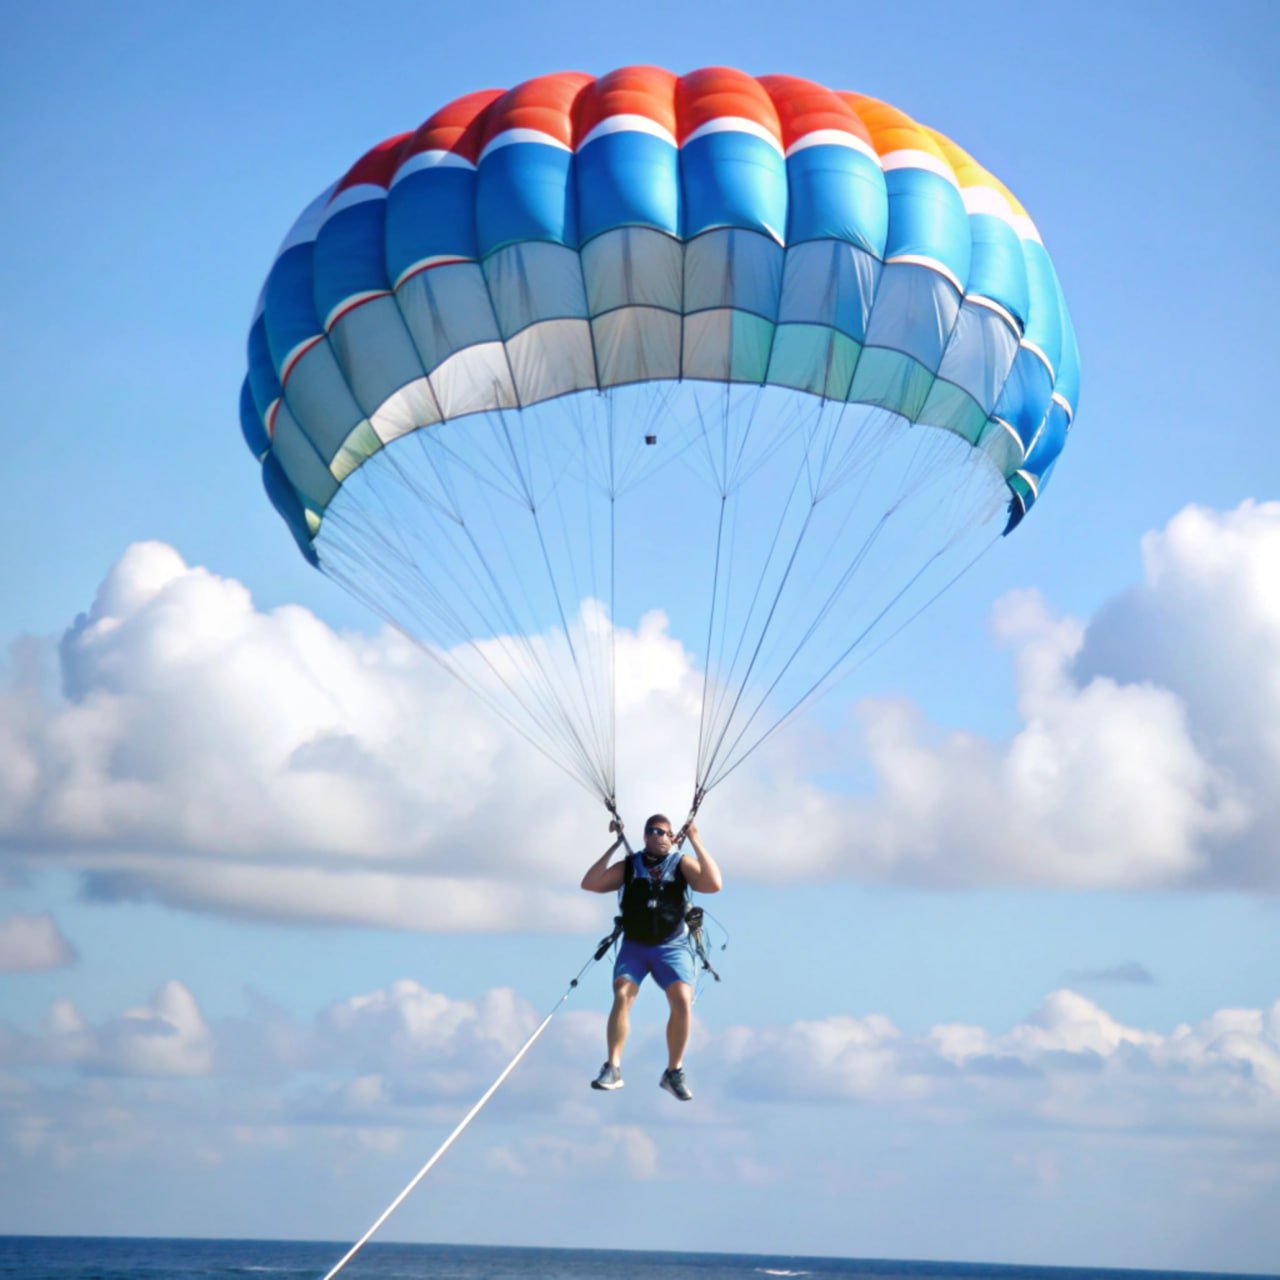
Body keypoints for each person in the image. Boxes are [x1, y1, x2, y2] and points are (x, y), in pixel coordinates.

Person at [580, 813, 722, 1101]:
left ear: (672, 838)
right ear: (644, 836)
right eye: (652, 831)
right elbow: (591, 883)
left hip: (672, 947)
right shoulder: (630, 866)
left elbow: (713, 884)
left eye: (664, 832)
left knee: (682, 1000)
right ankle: (612, 1068)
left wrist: (695, 839)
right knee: (622, 994)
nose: (658, 836)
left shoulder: (681, 864)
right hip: (635, 947)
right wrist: (613, 845)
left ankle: (673, 1072)